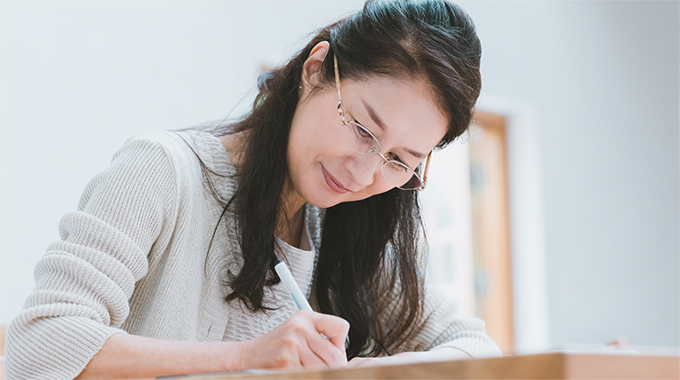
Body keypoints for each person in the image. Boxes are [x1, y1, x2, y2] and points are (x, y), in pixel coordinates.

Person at [5, 0, 502, 379]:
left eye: (400, 160)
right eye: (363, 130)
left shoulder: (346, 233)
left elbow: (475, 348)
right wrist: (247, 359)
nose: (365, 172)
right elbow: (39, 344)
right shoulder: (162, 172)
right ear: (315, 69)